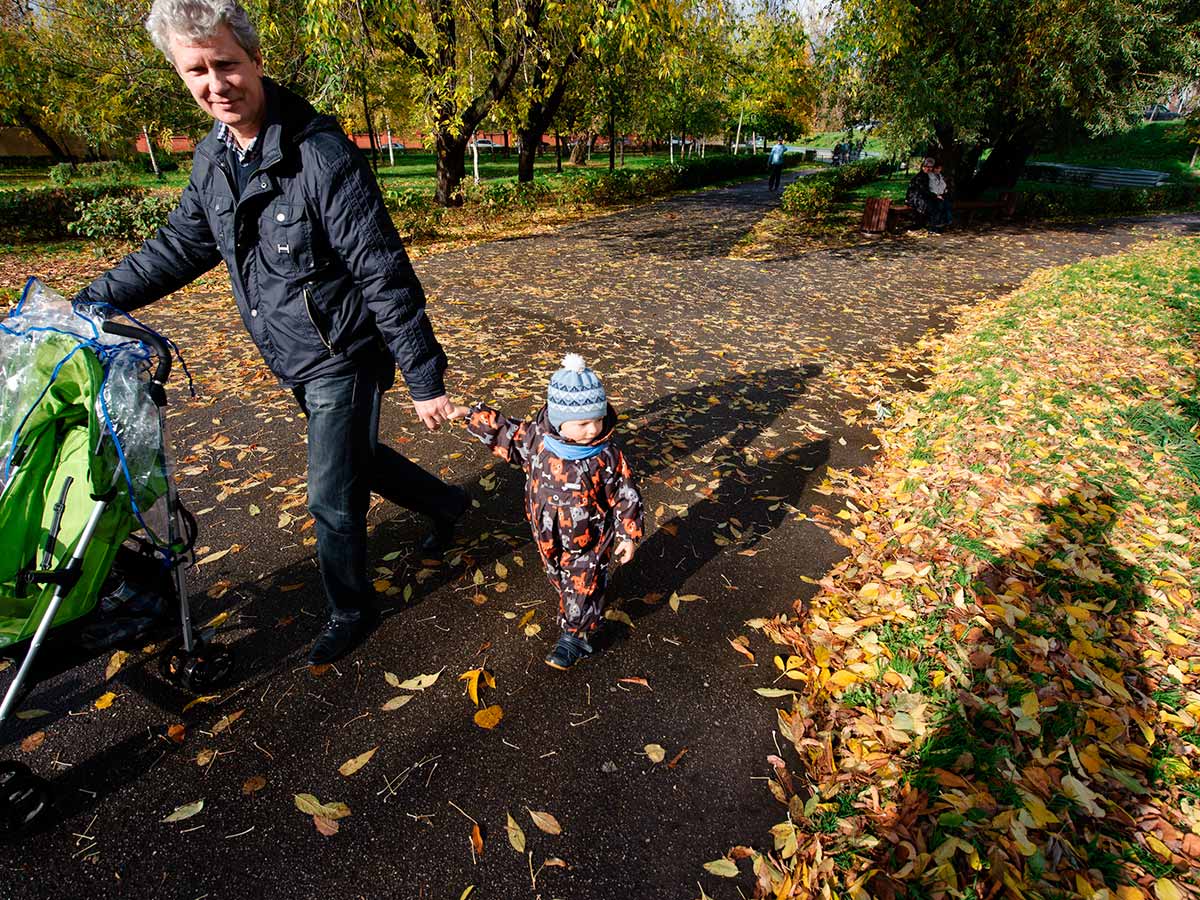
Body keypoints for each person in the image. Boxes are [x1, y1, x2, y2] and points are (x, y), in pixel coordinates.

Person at [71, 0, 468, 666]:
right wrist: (88, 301)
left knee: (329, 493)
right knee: (355, 461)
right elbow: (179, 245)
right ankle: (446, 503)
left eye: (225, 63)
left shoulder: (321, 154)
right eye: (195, 71)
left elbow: (382, 269)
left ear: (255, 59)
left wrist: (424, 375)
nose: (215, 83)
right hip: (290, 350)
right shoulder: (214, 157)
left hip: (344, 352)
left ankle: (350, 606)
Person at [449, 355, 643, 670]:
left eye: (597, 418)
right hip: (548, 534)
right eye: (582, 423)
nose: (592, 428)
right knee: (560, 578)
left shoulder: (605, 456)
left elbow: (625, 493)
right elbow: (504, 433)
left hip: (589, 541)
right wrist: (469, 415)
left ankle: (576, 636)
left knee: (582, 586)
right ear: (558, 419)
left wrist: (628, 533)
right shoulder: (537, 440)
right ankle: (574, 604)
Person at [906, 156, 953, 232]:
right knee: (934, 205)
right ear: (923, 167)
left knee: (940, 203)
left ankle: (937, 225)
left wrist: (937, 196)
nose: (928, 168)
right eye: (926, 167)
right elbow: (922, 191)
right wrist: (936, 196)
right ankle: (933, 227)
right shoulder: (919, 177)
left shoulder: (927, 176)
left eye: (930, 167)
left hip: (923, 197)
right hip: (916, 198)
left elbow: (929, 190)